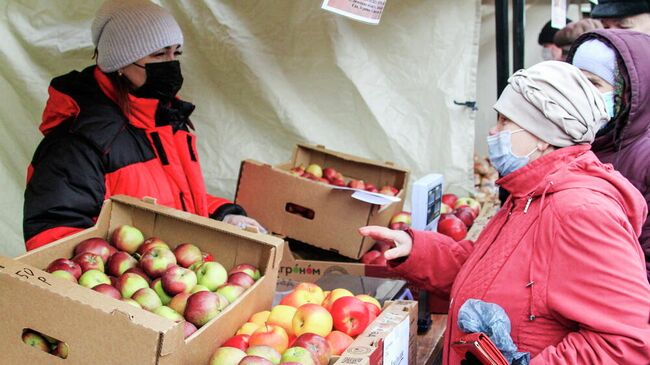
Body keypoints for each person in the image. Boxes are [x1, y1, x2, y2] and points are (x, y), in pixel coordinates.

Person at [360, 61, 650, 364]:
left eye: (504, 121)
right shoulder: (530, 195)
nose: (493, 130)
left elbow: (626, 342)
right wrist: (416, 250)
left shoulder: (579, 212)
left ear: (542, 135)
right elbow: (485, 273)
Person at [23, 0, 265, 251]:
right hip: (127, 285)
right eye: (159, 54)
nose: (171, 63)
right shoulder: (78, 144)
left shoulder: (167, 121)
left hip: (176, 276)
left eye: (176, 53)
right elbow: (52, 239)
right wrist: (134, 270)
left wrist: (223, 215)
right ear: (119, 62)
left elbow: (179, 202)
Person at [567, 29, 650, 281]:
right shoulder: (571, 140)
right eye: (574, 81)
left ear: (626, 93)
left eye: (593, 82)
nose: (580, 92)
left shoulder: (645, 156)